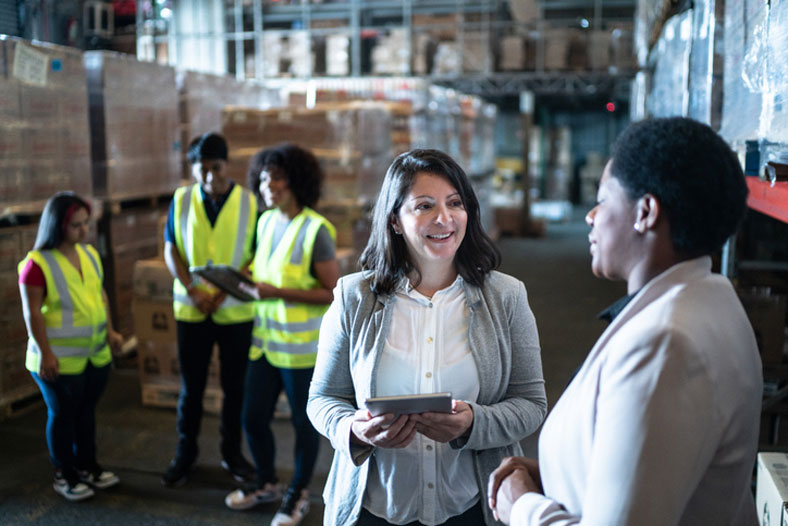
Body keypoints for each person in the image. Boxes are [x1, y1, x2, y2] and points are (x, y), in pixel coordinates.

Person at [488, 117, 763, 526]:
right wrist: (561, 475)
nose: (591, 216)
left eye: (603, 201)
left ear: (645, 212)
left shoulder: (664, 344)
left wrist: (521, 507)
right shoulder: (712, 298)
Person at [307, 148, 548, 526]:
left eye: (455, 203)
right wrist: (353, 430)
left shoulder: (507, 297)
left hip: (470, 505)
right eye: (424, 206)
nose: (444, 218)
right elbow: (322, 398)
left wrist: (473, 423)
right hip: (375, 508)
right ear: (396, 221)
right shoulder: (354, 297)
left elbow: (531, 403)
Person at [224, 143, 339, 526]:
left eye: (276, 177)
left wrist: (278, 292)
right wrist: (240, 280)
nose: (266, 185)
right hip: (267, 344)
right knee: (252, 418)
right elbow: (266, 276)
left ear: (296, 182)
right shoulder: (265, 222)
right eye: (263, 177)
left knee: (303, 428)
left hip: (304, 352)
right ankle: (267, 482)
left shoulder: (315, 230)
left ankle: (297, 495)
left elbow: (333, 293)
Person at [161, 132, 258, 486]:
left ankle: (232, 454)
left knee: (235, 389)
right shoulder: (182, 199)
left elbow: (256, 254)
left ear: (226, 164)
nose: (208, 177)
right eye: (200, 169)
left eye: (214, 168)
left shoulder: (248, 202)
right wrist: (192, 289)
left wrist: (223, 291)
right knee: (192, 388)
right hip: (193, 308)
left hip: (234, 311)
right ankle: (185, 454)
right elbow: (171, 248)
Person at [18, 192, 123, 501]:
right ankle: (65, 474)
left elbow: (99, 295)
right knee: (63, 415)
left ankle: (88, 466)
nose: (83, 231)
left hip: (93, 355)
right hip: (57, 360)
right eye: (76, 225)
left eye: (86, 224)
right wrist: (46, 352)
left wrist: (112, 332)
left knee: (86, 413)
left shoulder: (89, 254)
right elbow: (32, 311)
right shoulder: (36, 264)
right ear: (57, 225)